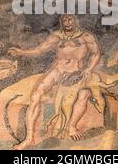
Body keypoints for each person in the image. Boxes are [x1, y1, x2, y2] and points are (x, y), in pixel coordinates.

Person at [9, 15, 101, 150]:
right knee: (36, 95)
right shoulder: (56, 36)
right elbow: (39, 50)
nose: (68, 23)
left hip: (77, 72)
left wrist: (89, 69)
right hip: (58, 70)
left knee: (84, 94)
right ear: (61, 22)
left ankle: (72, 126)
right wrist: (22, 52)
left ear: (75, 21)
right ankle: (28, 139)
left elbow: (96, 53)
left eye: (70, 19)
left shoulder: (86, 37)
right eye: (65, 20)